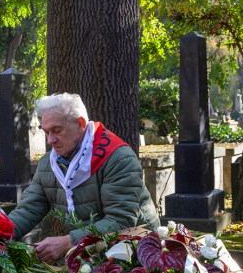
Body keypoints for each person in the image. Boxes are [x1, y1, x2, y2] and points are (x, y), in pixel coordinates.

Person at [9, 93, 160, 263]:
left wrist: (69, 242)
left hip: (138, 252)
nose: (50, 140)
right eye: (46, 132)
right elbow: (28, 210)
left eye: (57, 130)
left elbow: (120, 221)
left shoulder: (117, 158)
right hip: (88, 252)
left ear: (80, 124)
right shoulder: (49, 164)